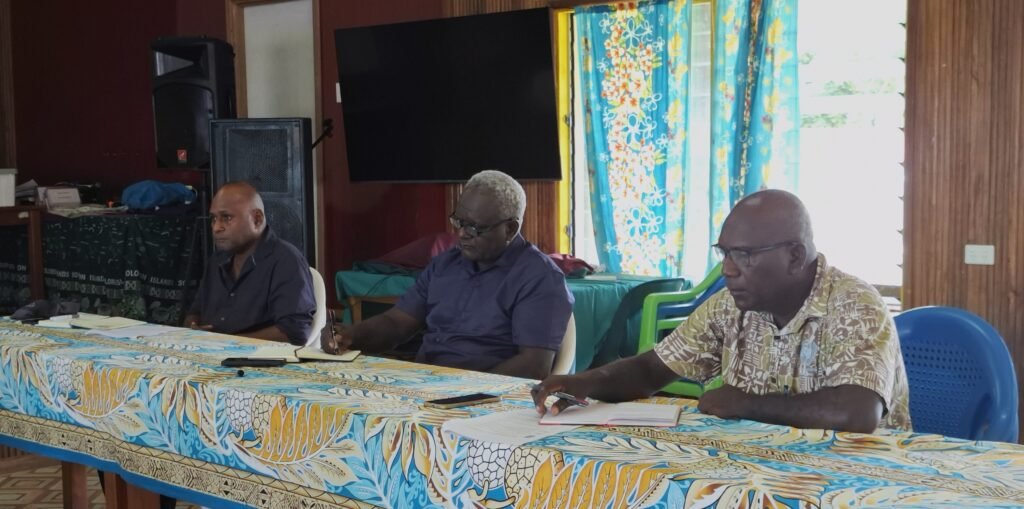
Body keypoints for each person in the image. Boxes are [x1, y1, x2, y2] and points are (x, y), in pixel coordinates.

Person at [532, 189, 911, 433]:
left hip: (863, 478)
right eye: (725, 253)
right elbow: (651, 370)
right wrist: (584, 382)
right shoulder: (731, 305)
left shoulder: (854, 305)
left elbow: (856, 414)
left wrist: (745, 404)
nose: (728, 269)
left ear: (795, 256)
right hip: (762, 468)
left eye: (743, 255)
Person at [323, 170, 574, 380]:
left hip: (485, 398)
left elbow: (533, 366)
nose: (462, 233)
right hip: (426, 385)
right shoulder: (446, 264)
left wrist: (464, 389)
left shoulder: (539, 278)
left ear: (510, 228)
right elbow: (397, 323)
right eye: (460, 222)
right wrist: (351, 335)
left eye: (475, 227)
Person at [183, 181, 315, 345]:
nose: (216, 227)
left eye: (227, 218)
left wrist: (228, 343)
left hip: (260, 358)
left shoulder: (286, 260)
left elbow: (295, 333)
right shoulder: (217, 260)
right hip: (209, 352)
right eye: (214, 219)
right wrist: (193, 326)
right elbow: (194, 312)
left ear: (257, 219)